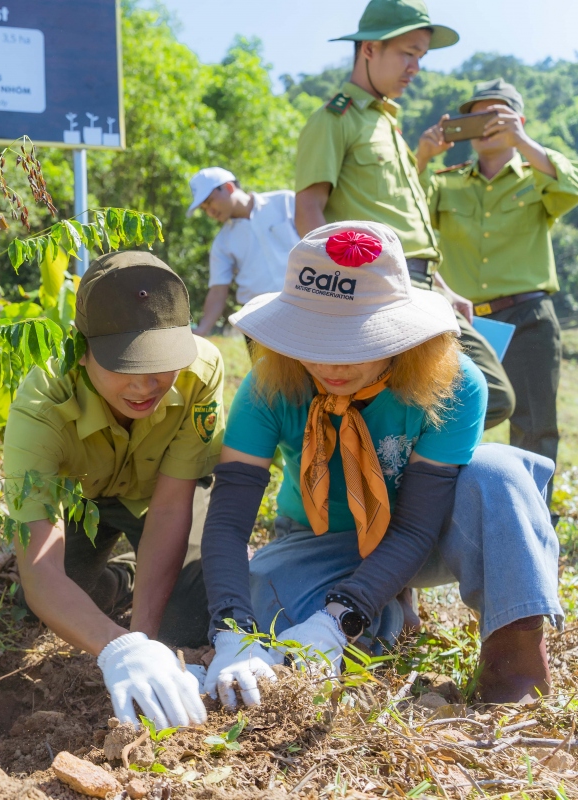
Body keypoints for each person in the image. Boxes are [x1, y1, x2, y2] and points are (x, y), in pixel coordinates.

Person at [200, 220, 561, 710]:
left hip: (427, 530)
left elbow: (415, 525)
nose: (333, 362)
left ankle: (514, 661)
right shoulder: (269, 385)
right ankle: (386, 621)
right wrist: (230, 631)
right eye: (314, 339)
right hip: (320, 538)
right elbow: (227, 520)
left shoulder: (453, 384)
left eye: (357, 340)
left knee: (498, 475)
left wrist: (337, 619)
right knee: (266, 598)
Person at [4, 251, 224, 729]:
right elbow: (43, 574)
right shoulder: (43, 399)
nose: (146, 385)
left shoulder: (201, 370)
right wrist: (117, 646)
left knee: (185, 619)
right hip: (84, 504)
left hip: (161, 496)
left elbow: (169, 509)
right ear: (83, 351)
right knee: (41, 607)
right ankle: (121, 576)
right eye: (124, 366)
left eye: (160, 366)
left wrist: (142, 637)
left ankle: (142, 586)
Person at [292, 0, 514, 431]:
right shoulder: (335, 118)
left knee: (493, 396)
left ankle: (390, 458)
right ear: (369, 49)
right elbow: (309, 211)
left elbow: (408, 225)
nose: (415, 67)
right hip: (377, 286)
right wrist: (340, 290)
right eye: (407, 52)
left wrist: (446, 287)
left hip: (426, 285)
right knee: (476, 392)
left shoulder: (388, 125)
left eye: (421, 57)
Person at [417, 79, 578, 503]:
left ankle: (534, 518)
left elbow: (572, 187)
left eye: (497, 114)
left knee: (535, 424)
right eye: (477, 115)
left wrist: (523, 141)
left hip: (528, 316)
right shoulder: (445, 182)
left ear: (518, 120)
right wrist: (421, 157)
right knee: (454, 417)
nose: (485, 124)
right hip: (464, 322)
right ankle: (450, 515)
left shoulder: (539, 173)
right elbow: (407, 216)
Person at [186, 167, 298, 337]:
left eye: (209, 201)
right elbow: (218, 290)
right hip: (259, 322)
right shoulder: (222, 243)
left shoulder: (286, 202)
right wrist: (202, 329)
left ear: (229, 187)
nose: (210, 212)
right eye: (204, 208)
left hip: (305, 308)